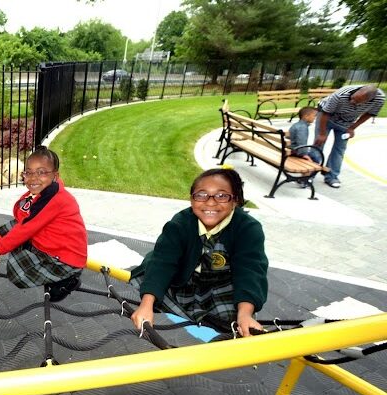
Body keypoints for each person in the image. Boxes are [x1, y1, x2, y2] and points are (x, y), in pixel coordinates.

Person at [129, 168, 268, 337]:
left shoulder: (247, 228)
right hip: (183, 279)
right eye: (201, 195)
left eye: (222, 196)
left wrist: (245, 314)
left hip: (221, 283)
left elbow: (250, 271)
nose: (210, 202)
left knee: (233, 322)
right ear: (191, 199)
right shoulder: (180, 224)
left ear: (235, 200)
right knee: (151, 283)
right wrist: (146, 305)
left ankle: (230, 317)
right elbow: (163, 262)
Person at [0, 146, 87, 302]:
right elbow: (21, 219)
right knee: (14, 231)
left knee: (17, 273)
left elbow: (24, 228)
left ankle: (67, 280)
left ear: (55, 176)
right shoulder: (42, 192)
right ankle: (55, 275)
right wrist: (0, 245)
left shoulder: (56, 199)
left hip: (66, 260)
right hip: (56, 248)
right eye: (29, 172)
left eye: (41, 172)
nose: (34, 178)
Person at [313, 84, 385, 188]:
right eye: (353, 98)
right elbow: (325, 113)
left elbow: (369, 114)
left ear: (368, 100)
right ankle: (309, 174)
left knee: (340, 149)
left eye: (357, 101)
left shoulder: (379, 99)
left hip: (346, 122)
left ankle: (331, 176)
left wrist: (352, 128)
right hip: (326, 116)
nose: (352, 102)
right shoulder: (341, 94)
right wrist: (322, 134)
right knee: (318, 144)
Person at [288, 106, 322, 188]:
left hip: (291, 150)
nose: (315, 118)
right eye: (314, 115)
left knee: (313, 154)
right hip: (296, 152)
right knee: (316, 158)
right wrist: (304, 155)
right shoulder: (302, 128)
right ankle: (306, 179)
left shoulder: (296, 125)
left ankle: (304, 178)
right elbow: (301, 144)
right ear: (306, 116)